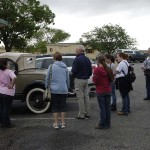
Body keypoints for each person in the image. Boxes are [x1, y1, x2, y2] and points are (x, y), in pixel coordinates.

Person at [45, 52, 70, 129]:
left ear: (54, 58)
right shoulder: (65, 67)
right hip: (63, 89)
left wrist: (46, 86)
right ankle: (63, 123)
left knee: (55, 107)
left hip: (54, 90)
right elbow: (67, 79)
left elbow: (47, 78)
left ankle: (56, 123)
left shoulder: (51, 66)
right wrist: (67, 87)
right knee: (63, 106)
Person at [71, 45, 92, 119]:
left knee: (80, 97)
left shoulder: (77, 59)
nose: (75, 52)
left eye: (76, 50)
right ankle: (87, 113)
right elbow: (90, 72)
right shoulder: (87, 59)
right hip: (86, 80)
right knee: (86, 96)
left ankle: (81, 114)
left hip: (79, 79)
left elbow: (73, 70)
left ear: (80, 51)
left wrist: (75, 75)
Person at [93, 55, 113, 129]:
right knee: (107, 108)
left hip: (100, 90)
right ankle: (108, 123)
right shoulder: (108, 69)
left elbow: (95, 81)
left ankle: (102, 124)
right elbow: (111, 79)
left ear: (98, 61)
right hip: (107, 89)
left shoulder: (97, 70)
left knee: (102, 109)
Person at [0, 58, 17, 128]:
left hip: (0, 91)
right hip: (8, 93)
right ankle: (7, 124)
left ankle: (2, 123)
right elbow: (14, 78)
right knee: (6, 109)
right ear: (5, 64)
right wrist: (11, 85)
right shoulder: (9, 71)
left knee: (1, 108)